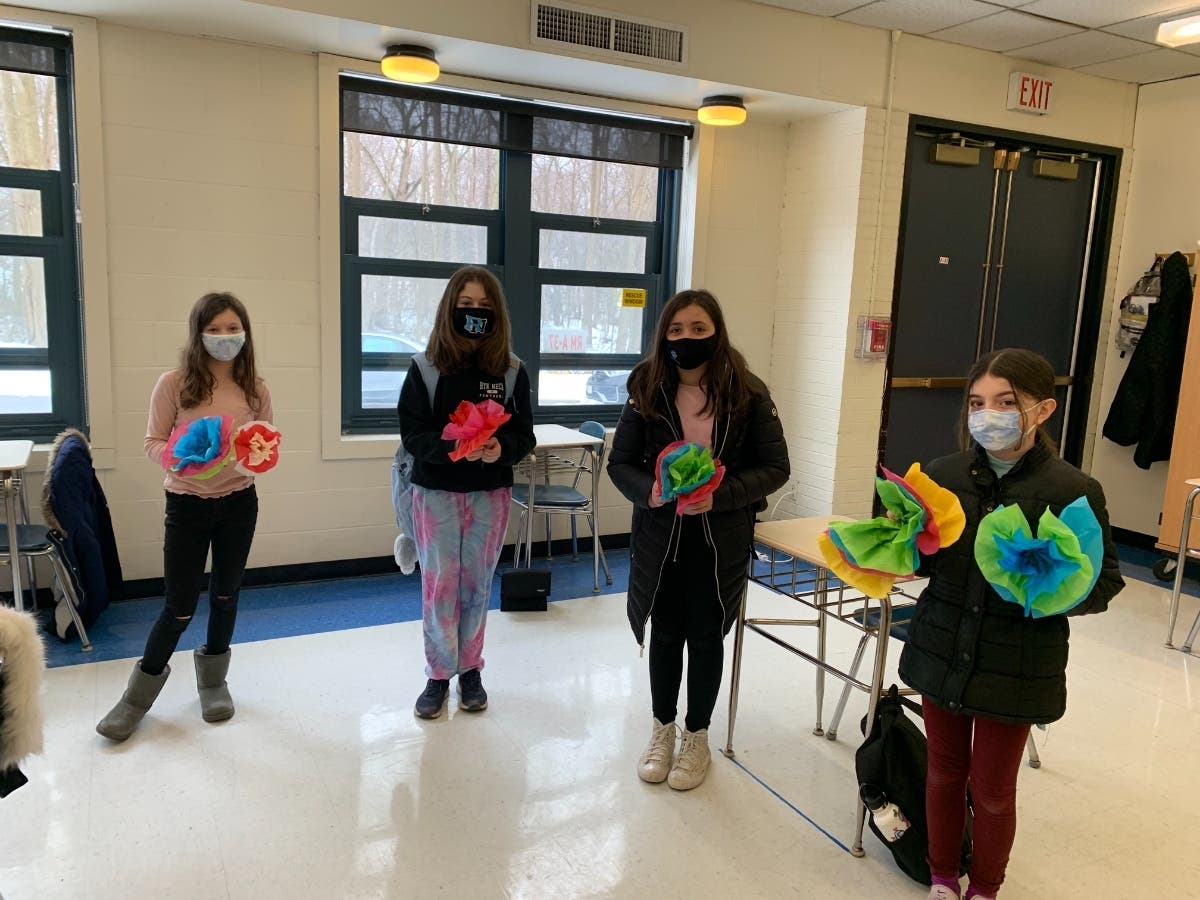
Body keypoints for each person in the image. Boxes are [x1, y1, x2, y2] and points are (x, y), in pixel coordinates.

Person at [898, 348, 1124, 900]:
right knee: (944, 773)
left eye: (1005, 402)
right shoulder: (940, 477)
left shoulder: (1074, 491)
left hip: (1016, 662)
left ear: (1042, 410)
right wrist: (900, 543)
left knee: (994, 789)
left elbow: (1104, 583)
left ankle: (987, 887)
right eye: (977, 402)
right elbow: (922, 561)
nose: (987, 414)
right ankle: (943, 876)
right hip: (942, 645)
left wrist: (1047, 592)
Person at [607, 289, 789, 790]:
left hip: (720, 538)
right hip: (661, 536)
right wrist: (653, 493)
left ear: (716, 333)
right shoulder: (646, 386)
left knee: (707, 637)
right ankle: (661, 729)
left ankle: (697, 736)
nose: (687, 339)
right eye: (676, 330)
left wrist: (723, 495)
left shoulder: (747, 392)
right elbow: (619, 463)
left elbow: (776, 467)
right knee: (665, 634)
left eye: (698, 329)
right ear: (664, 334)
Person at [97, 292, 272, 742]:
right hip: (187, 506)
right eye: (215, 329)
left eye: (233, 328)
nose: (225, 337)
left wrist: (252, 458)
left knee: (226, 596)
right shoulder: (173, 384)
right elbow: (153, 441)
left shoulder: (256, 388)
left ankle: (213, 681)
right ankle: (136, 698)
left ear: (245, 333)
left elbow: (266, 443)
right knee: (178, 606)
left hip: (239, 504)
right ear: (198, 334)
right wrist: (181, 460)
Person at [398, 266, 535, 719]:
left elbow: (525, 436)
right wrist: (455, 447)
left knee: (476, 586)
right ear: (449, 310)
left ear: (496, 314)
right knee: (440, 585)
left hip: (489, 494)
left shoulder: (512, 371)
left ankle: (470, 669)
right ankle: (438, 674)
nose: (475, 314)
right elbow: (412, 436)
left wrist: (500, 448)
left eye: (483, 307)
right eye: (465, 307)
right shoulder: (424, 369)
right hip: (436, 493)